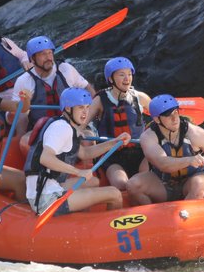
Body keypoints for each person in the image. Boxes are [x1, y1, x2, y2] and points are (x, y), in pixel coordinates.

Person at [24, 87, 130, 217]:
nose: (85, 113)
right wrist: (78, 172)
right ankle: (111, 232)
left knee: (93, 182)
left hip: (46, 188)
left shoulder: (65, 125)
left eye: (87, 107)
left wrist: (115, 141)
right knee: (115, 194)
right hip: (46, 198)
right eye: (80, 108)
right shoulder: (62, 128)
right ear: (68, 109)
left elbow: (85, 153)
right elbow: (45, 158)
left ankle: (80, 222)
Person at [13, 35, 94, 149]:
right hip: (43, 128)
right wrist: (20, 135)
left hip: (74, 123)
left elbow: (87, 88)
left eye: (50, 53)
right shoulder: (23, 81)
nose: (48, 57)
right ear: (32, 59)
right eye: (43, 54)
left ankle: (87, 165)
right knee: (25, 142)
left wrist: (87, 120)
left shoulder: (66, 69)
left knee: (87, 140)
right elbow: (21, 116)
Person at [87, 57, 152, 191]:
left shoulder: (141, 97)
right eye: (121, 75)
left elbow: (161, 118)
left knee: (144, 182)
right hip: (112, 154)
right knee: (121, 184)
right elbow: (81, 124)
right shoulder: (100, 100)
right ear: (111, 79)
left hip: (140, 152)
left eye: (129, 74)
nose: (127, 79)